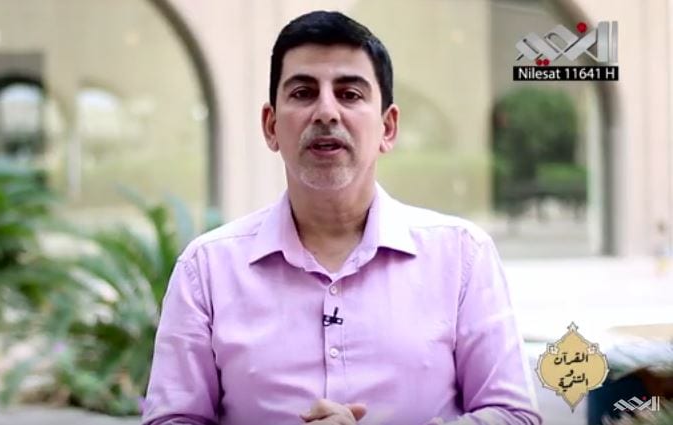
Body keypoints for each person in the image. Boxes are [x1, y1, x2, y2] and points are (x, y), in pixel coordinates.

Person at [142, 10, 542, 425]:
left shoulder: (461, 256)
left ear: (388, 127)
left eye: (349, 94)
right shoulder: (207, 269)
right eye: (303, 93)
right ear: (271, 126)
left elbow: (514, 415)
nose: (326, 112)